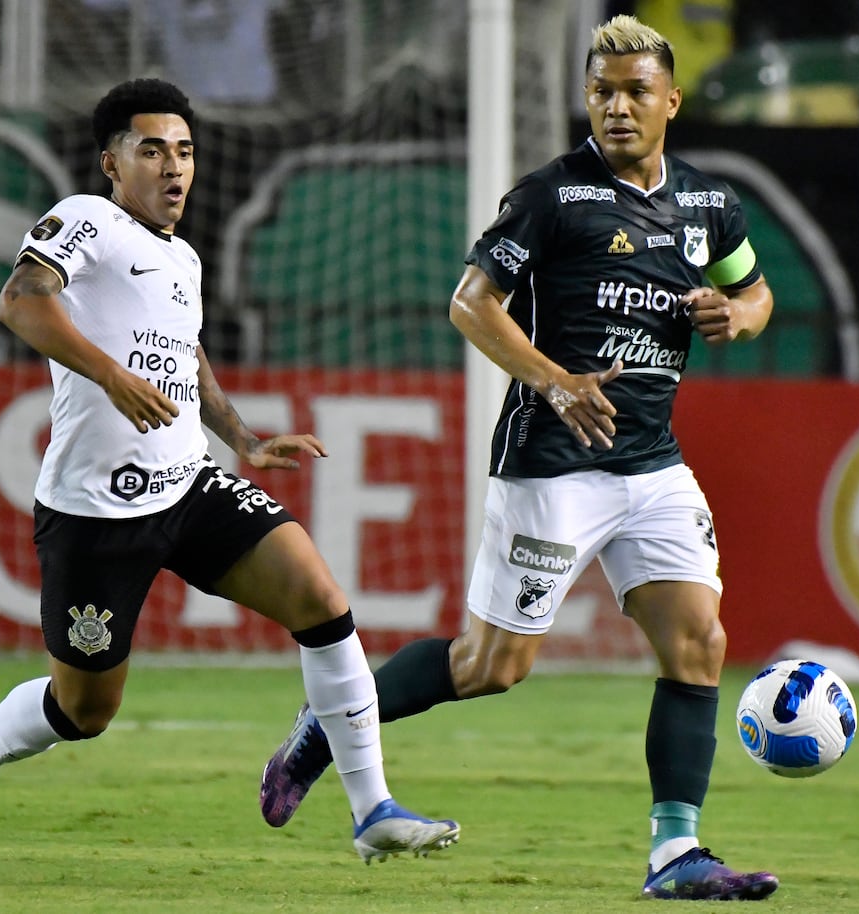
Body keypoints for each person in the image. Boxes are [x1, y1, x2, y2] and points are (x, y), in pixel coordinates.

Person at [259, 15, 778, 901]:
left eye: (635, 92)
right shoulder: (551, 197)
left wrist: (743, 316)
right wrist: (553, 381)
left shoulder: (707, 204)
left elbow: (754, 288)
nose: (616, 107)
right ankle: (327, 725)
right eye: (602, 91)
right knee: (490, 667)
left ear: (672, 102)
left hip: (652, 467)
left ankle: (674, 854)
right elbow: (471, 304)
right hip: (553, 464)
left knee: (699, 644)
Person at [0, 77, 459, 868]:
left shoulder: (183, 255)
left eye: (184, 152)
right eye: (152, 151)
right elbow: (20, 300)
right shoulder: (87, 220)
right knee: (83, 710)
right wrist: (109, 376)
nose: (173, 168)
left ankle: (371, 806)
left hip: (188, 483)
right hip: (96, 514)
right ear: (111, 161)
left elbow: (185, 351)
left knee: (321, 600)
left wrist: (240, 438)